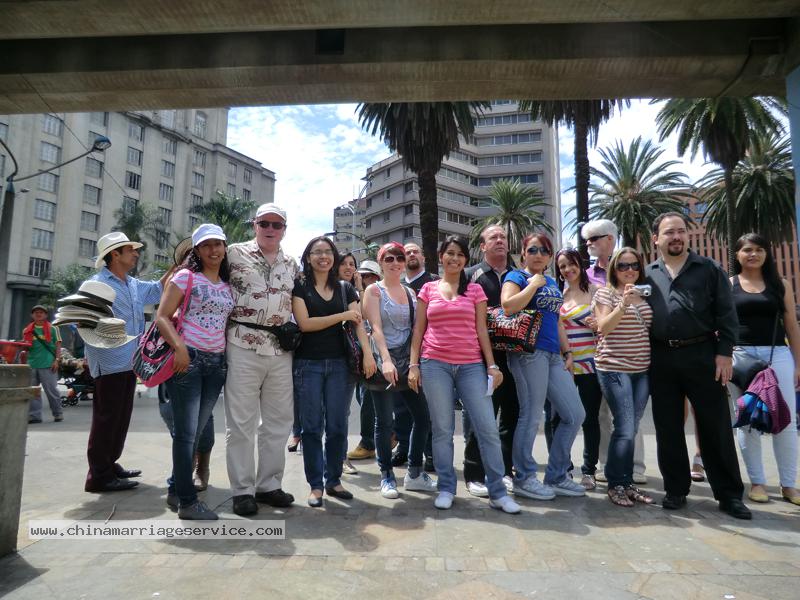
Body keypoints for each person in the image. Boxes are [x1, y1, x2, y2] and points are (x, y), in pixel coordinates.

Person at [645, 212, 750, 519]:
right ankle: (676, 490)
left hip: (704, 355)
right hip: (661, 358)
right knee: (668, 426)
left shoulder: (708, 268)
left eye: (680, 231)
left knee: (715, 425)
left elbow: (727, 313)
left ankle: (730, 495)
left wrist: (725, 352)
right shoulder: (647, 273)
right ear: (657, 239)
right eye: (669, 233)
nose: (675, 237)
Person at [409, 235, 521, 514]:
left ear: (465, 259)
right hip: (434, 364)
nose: (455, 258)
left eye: (460, 254)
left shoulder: (474, 291)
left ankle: (497, 491)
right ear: (440, 256)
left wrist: (492, 366)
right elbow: (418, 330)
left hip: (471, 365)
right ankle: (446, 486)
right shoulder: (428, 290)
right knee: (443, 430)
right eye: (450, 253)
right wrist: (413, 365)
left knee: (487, 428)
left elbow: (483, 330)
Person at [84, 232, 174, 493]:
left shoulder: (132, 284)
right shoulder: (96, 285)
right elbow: (85, 323)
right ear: (114, 255)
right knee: (106, 418)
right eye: (130, 250)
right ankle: (98, 476)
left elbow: (158, 290)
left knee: (120, 418)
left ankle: (109, 465)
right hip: (109, 362)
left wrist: (177, 266)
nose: (135, 254)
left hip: (128, 363)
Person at [224, 203, 298, 516]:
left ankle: (269, 485)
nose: (270, 229)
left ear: (284, 229)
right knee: (241, 422)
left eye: (277, 225)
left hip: (280, 348)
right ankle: (242, 490)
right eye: (265, 223)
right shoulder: (233, 253)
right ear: (254, 224)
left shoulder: (292, 263)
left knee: (279, 421)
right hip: (242, 342)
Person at [156, 224, 234, 520]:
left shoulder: (227, 285)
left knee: (196, 430)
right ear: (198, 251)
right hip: (188, 361)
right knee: (186, 434)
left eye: (218, 244)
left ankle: (176, 488)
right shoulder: (186, 277)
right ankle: (187, 503)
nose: (214, 250)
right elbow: (162, 317)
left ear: (225, 248)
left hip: (216, 364)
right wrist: (180, 348)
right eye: (206, 245)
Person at [501, 233, 586, 501]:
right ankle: (524, 477)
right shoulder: (517, 277)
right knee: (531, 415)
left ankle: (557, 475)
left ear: (550, 256)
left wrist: (567, 351)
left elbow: (558, 320)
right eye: (533, 249)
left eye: (544, 250)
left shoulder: (550, 280)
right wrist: (532, 286)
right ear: (523, 253)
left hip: (552, 355)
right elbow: (507, 306)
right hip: (528, 353)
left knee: (575, 414)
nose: (539, 254)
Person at [292, 236, 375, 507]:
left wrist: (368, 354)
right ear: (308, 257)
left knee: (338, 426)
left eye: (328, 252)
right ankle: (315, 485)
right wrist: (341, 317)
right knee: (312, 427)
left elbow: (359, 323)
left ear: (334, 257)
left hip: (340, 365)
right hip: (308, 364)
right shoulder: (300, 287)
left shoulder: (344, 289)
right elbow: (305, 324)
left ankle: (334, 480)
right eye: (317, 252)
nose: (323, 257)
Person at [729, 233, 800, 506]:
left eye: (759, 249)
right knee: (747, 419)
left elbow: (791, 325)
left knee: (785, 420)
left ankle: (789, 485)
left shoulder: (780, 284)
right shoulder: (729, 284)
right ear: (737, 254)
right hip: (742, 358)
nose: (753, 254)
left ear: (766, 254)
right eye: (747, 250)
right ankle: (757, 482)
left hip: (778, 355)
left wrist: (797, 363)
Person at [363, 242, 436, 499]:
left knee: (423, 418)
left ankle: (415, 472)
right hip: (382, 361)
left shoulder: (409, 292)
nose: (395, 262)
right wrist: (385, 360)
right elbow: (375, 328)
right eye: (389, 258)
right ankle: (386, 475)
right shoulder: (373, 290)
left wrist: (414, 363)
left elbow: (417, 331)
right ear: (381, 262)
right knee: (384, 422)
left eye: (399, 258)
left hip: (407, 361)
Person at [582, 219, 648, 484]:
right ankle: (608, 464)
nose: (589, 243)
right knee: (602, 414)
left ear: (610, 238)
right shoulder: (585, 275)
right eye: (587, 239)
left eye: (594, 238)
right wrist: (594, 319)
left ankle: (636, 466)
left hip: (636, 358)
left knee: (630, 415)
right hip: (598, 352)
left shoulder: (638, 276)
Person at [592, 248, 654, 507]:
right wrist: (624, 303)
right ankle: (616, 483)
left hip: (642, 369)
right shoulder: (605, 292)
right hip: (614, 367)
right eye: (623, 266)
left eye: (634, 266)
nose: (629, 270)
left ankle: (627, 482)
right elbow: (603, 327)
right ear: (614, 269)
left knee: (632, 427)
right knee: (625, 427)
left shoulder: (647, 294)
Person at [462, 225, 519, 497]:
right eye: (493, 238)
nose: (499, 240)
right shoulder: (469, 275)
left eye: (503, 237)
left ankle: (506, 471)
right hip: (482, 359)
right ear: (482, 246)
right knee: (480, 418)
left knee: (511, 417)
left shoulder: (520, 275)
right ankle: (474, 473)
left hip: (517, 358)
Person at [555, 248, 603, 490]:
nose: (568, 269)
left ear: (580, 264)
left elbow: (608, 325)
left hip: (590, 364)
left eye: (571, 264)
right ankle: (563, 468)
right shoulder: (557, 294)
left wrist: (598, 324)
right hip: (564, 364)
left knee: (589, 418)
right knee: (559, 417)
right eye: (562, 266)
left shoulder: (595, 292)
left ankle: (589, 471)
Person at [346, 260, 382, 463]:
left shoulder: (377, 293)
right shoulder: (352, 291)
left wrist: (360, 288)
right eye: (361, 275)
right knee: (363, 397)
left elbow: (363, 316)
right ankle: (383, 435)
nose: (362, 278)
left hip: (374, 353)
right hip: (358, 353)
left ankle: (368, 442)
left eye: (368, 276)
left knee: (368, 397)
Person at [23, 305, 63, 424]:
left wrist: (57, 360)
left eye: (41, 312)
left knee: (51, 391)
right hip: (31, 364)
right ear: (32, 315)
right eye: (36, 312)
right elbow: (25, 347)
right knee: (33, 392)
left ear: (45, 315)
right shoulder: (27, 330)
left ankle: (58, 413)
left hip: (48, 364)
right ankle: (35, 416)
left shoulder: (53, 329)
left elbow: (58, 345)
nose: (38, 314)